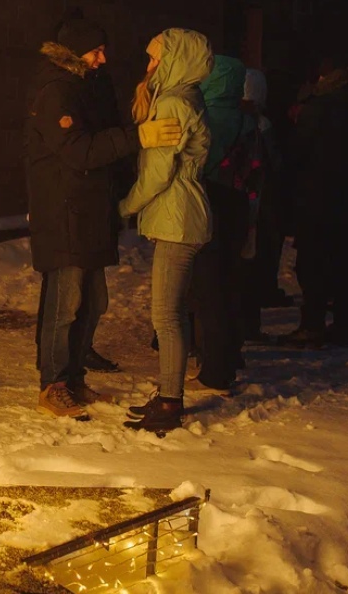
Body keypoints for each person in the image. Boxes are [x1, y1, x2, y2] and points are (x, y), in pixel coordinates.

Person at [26, 16, 183, 419]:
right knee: (66, 302)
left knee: (93, 301)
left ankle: (73, 377)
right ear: (76, 51)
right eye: (96, 50)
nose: (102, 58)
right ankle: (54, 383)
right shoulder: (56, 91)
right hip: (64, 212)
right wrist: (137, 137)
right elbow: (78, 150)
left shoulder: (87, 87)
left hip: (90, 210)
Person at [118, 29, 213, 434]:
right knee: (170, 313)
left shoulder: (172, 102)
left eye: (157, 59)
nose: (149, 65)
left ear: (177, 61)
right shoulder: (185, 97)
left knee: (166, 315)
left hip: (178, 218)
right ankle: (168, 394)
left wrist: (124, 206)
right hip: (182, 214)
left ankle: (171, 401)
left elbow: (159, 171)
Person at [283, 67, 348, 346]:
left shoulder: (319, 108)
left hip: (317, 195)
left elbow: (298, 151)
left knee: (313, 262)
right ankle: (344, 324)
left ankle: (313, 323)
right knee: (344, 262)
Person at [189, 54, 249, 390]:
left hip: (210, 202)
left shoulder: (207, 118)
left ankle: (214, 367)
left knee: (207, 288)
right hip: (238, 204)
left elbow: (198, 163)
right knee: (229, 282)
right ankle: (232, 353)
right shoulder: (248, 119)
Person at [239, 68, 282, 341]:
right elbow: (275, 163)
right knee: (249, 266)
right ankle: (248, 326)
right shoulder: (261, 125)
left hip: (235, 201)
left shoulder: (225, 118)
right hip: (254, 202)